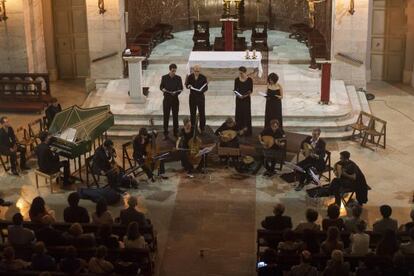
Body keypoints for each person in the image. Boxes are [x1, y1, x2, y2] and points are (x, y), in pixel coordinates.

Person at [160, 63, 183, 139]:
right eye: (173, 71)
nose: (174, 73)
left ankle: (175, 132)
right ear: (170, 70)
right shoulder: (164, 77)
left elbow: (181, 88)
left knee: (175, 116)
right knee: (166, 116)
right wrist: (163, 89)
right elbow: (161, 86)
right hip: (166, 99)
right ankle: (165, 132)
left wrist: (177, 92)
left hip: (175, 99)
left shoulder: (178, 78)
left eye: (175, 71)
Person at [185, 64, 208, 132]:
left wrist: (202, 90)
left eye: (198, 71)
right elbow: (186, 84)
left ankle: (202, 128)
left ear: (199, 71)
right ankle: (193, 128)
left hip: (200, 97)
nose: (196, 72)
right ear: (193, 70)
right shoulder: (190, 76)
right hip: (192, 97)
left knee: (202, 113)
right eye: (195, 71)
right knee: (192, 113)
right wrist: (188, 86)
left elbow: (206, 87)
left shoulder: (203, 77)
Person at [234, 66, 253, 136]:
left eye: (241, 73)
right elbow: (235, 90)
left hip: (246, 100)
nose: (240, 75)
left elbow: (250, 90)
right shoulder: (236, 80)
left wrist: (244, 96)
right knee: (239, 114)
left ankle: (247, 131)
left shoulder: (249, 80)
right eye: (239, 73)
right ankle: (239, 130)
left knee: (246, 114)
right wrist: (238, 95)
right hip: (239, 100)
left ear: (245, 73)